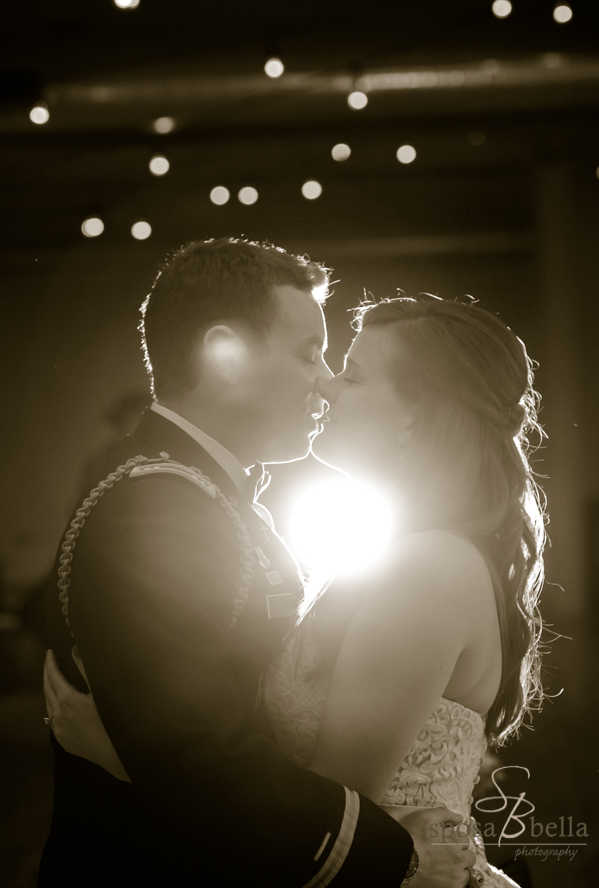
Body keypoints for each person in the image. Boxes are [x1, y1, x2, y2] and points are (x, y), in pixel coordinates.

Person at [40, 239, 473, 888]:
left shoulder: (205, 497)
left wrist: (126, 754)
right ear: (225, 358)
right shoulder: (157, 508)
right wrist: (390, 856)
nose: (326, 379)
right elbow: (194, 756)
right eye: (308, 353)